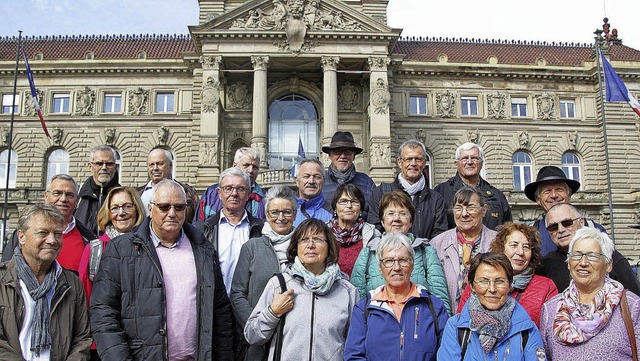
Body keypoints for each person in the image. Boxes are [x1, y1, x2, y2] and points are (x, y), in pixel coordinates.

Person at [90, 180, 233, 360]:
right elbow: (103, 311)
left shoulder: (204, 249)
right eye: (164, 207)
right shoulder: (121, 249)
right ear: (150, 209)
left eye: (179, 207)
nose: (172, 213)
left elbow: (220, 311)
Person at [244, 218, 358, 361]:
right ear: (295, 247)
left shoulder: (347, 291)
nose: (310, 245)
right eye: (304, 240)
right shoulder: (279, 284)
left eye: (317, 239)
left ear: (330, 247)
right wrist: (273, 313)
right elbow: (251, 336)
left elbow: (355, 346)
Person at [0, 204, 91, 360]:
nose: (52, 240)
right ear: (21, 236)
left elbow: (82, 337)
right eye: (43, 233)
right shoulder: (3, 280)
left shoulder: (72, 284)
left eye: (57, 234)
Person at [344, 233, 449, 361]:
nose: (397, 267)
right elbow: (354, 356)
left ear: (412, 265)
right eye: (389, 261)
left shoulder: (434, 307)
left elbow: (446, 355)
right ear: (380, 268)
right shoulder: (364, 309)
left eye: (403, 260)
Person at [540, 227, 640, 360]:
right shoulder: (551, 309)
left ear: (609, 264)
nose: (583, 263)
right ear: (569, 263)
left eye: (592, 256)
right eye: (576, 255)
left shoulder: (632, 306)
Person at [351, 190, 451, 313]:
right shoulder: (368, 254)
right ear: (382, 221)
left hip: (419, 325)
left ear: (411, 221)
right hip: (378, 326)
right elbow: (357, 302)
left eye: (403, 213)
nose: (396, 219)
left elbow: (440, 300)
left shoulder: (427, 252)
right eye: (391, 213)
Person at [230, 185, 297, 361]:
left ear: (295, 215)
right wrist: (256, 323)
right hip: (259, 340)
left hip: (295, 336)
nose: (281, 217)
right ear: (267, 215)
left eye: (287, 212)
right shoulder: (252, 247)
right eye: (275, 212)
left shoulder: (303, 248)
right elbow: (237, 293)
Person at [438, 252, 545, 360]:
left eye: (499, 281)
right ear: (472, 286)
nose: (492, 289)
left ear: (509, 285)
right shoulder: (456, 328)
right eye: (484, 281)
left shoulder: (526, 328)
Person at [457, 223, 558, 326]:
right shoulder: (479, 280)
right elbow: (461, 322)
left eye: (526, 247)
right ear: (501, 248)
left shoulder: (545, 287)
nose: (520, 252)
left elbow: (550, 330)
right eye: (514, 245)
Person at [538, 203, 640, 294]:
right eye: (553, 227)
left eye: (567, 223)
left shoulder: (608, 256)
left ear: (581, 222)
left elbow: (634, 301)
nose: (561, 230)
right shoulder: (546, 264)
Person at [1, 174, 96, 272]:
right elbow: (7, 274)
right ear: (46, 197)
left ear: (76, 201)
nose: (63, 199)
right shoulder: (25, 233)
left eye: (69, 195)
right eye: (57, 193)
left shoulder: (88, 238)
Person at [197, 167, 263, 294]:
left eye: (240, 188)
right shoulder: (202, 229)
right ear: (219, 192)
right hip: (215, 307)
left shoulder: (260, 229)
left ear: (249, 193)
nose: (234, 193)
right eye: (228, 188)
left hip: (248, 306)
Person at [430, 187, 497, 312]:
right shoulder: (436, 244)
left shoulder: (499, 243)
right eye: (458, 208)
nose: (464, 214)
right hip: (448, 320)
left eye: (471, 207)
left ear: (484, 210)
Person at [367, 139, 447, 239]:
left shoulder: (435, 199)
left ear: (424, 163)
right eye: (408, 159)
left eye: (418, 159)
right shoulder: (381, 193)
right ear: (400, 162)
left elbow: (439, 237)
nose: (413, 163)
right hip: (389, 253)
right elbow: (375, 230)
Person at [78, 186, 145, 305]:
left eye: (127, 206)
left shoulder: (149, 245)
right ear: (108, 213)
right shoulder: (94, 250)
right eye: (115, 208)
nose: (121, 213)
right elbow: (84, 296)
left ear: (137, 209)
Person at [524, 165, 605, 255]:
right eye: (547, 191)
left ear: (569, 193)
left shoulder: (594, 228)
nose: (554, 195)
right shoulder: (530, 233)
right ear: (538, 199)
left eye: (559, 189)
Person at [434, 142, 511, 230]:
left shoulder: (497, 196)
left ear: (481, 163)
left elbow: (507, 231)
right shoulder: (441, 192)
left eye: (474, 158)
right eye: (465, 158)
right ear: (456, 164)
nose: (470, 162)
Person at [327, 184, 381, 277]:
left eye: (354, 201)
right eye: (343, 201)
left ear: (360, 209)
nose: (349, 205)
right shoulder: (324, 232)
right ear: (335, 209)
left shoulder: (372, 234)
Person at [199, 147, 266, 221]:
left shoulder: (265, 198)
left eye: (255, 167)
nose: (250, 170)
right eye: (246, 165)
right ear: (234, 166)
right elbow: (199, 225)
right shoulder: (211, 193)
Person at [320, 131, 376, 217]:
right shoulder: (320, 182)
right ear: (330, 155)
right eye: (337, 152)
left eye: (347, 152)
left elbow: (375, 214)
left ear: (354, 156)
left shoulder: (367, 182)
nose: (342, 156)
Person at [137, 148, 199, 222]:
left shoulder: (188, 193)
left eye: (159, 164)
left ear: (170, 166)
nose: (155, 168)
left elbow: (197, 222)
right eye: (151, 165)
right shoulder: (137, 194)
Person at [76, 145, 120, 236]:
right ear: (90, 167)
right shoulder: (77, 196)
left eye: (109, 164)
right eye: (99, 163)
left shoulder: (122, 196)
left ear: (115, 167)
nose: (104, 167)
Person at [293, 158, 332, 226]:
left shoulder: (334, 212)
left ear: (323, 181)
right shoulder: (286, 210)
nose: (311, 181)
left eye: (317, 177)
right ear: (297, 181)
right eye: (306, 176)